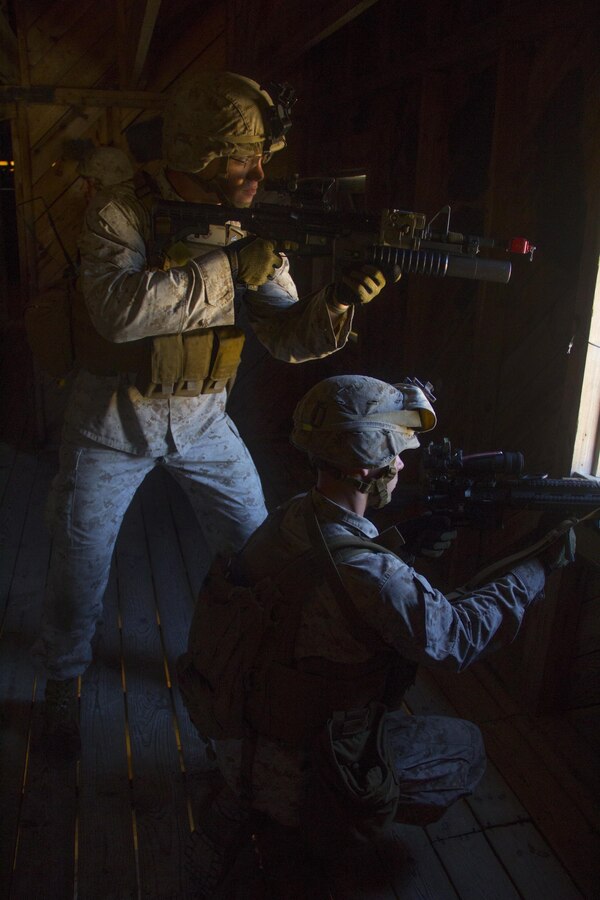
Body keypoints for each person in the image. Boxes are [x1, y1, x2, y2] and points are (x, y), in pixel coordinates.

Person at [32, 72, 390, 752]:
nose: (258, 170)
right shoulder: (120, 214)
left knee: (257, 548)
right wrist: (232, 268)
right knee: (78, 568)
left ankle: (250, 670)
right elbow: (118, 312)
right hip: (112, 421)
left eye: (261, 155)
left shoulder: (248, 223)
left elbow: (286, 336)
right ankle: (59, 681)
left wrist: (338, 300)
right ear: (197, 153)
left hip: (203, 421)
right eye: (241, 156)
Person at [179, 374, 576, 894]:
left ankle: (256, 805)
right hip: (305, 776)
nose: (402, 465)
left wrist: (400, 550)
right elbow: (458, 638)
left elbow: (324, 586)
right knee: (465, 747)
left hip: (236, 744)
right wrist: (538, 567)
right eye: (396, 453)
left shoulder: (287, 516)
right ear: (367, 466)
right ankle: (322, 836)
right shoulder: (374, 577)